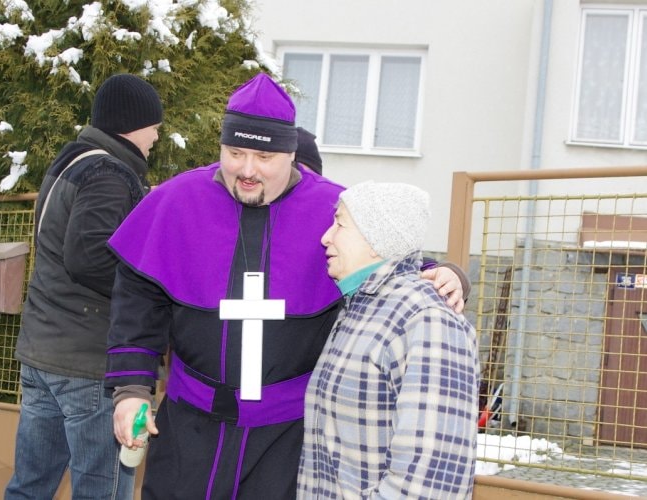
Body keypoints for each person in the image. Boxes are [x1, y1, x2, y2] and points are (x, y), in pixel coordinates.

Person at [104, 73, 468, 499]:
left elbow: (385, 262)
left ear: (291, 154)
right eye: (235, 153)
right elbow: (138, 303)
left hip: (288, 440)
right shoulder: (176, 201)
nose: (247, 169)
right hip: (189, 428)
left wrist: (446, 274)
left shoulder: (334, 209)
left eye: (264, 156)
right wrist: (131, 390)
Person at [5, 73, 163, 499]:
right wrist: (150, 290)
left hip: (44, 351)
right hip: (87, 363)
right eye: (154, 126)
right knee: (101, 491)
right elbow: (88, 257)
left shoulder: (72, 162)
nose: (155, 137)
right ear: (132, 124)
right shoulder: (108, 173)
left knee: (30, 486)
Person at [298, 181, 479, 499]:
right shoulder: (363, 307)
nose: (326, 237)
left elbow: (429, 480)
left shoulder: (426, 318)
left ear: (375, 238)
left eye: (340, 224)